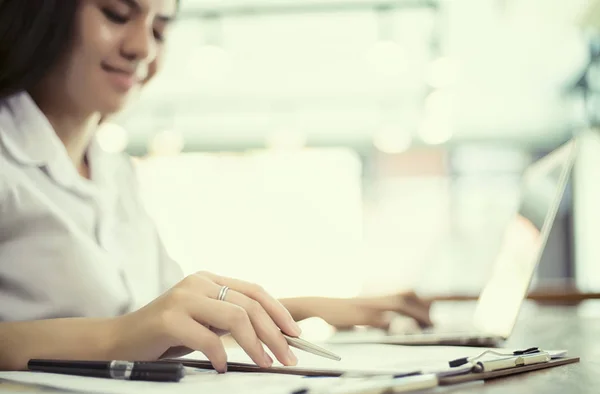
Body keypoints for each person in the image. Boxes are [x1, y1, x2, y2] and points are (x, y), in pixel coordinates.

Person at [0, 0, 432, 373]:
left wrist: (313, 308)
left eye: (160, 28)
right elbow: (131, 330)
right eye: (117, 15)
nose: (142, 48)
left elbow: (164, 323)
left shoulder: (115, 172)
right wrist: (115, 337)